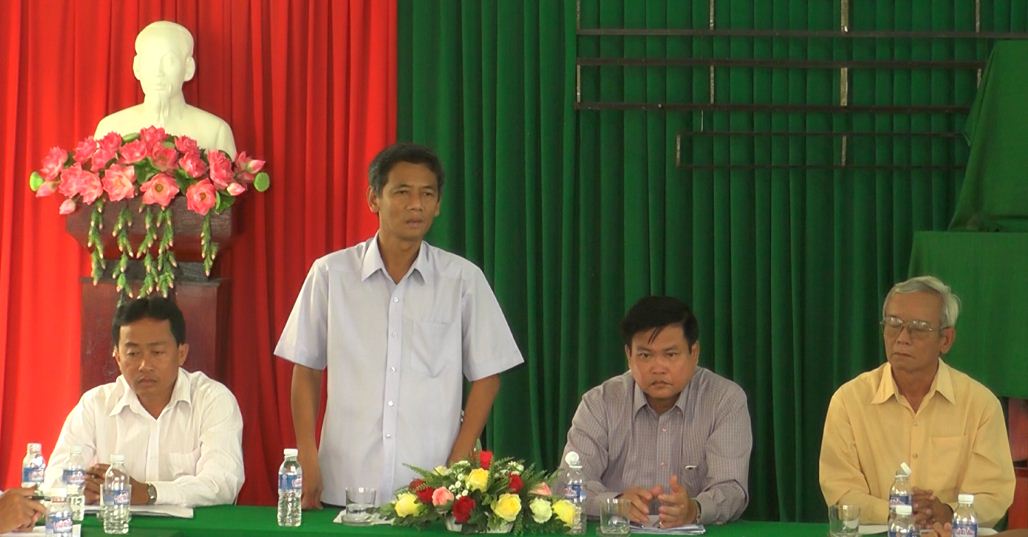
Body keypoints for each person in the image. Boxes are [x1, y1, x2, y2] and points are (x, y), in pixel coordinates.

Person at [275, 142, 524, 508]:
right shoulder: (330, 274)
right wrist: (307, 454)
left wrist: (457, 461)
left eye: (427, 194)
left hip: (432, 488)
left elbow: (488, 375)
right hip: (345, 479)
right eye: (402, 192)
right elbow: (307, 368)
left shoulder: (462, 280)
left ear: (438, 205)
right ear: (373, 198)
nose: (416, 205)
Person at [819, 275, 1015, 527]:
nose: (902, 337)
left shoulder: (980, 405)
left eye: (918, 327)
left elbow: (994, 494)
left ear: (946, 340)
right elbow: (840, 490)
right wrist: (898, 512)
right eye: (893, 324)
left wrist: (948, 512)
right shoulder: (849, 401)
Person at [558, 296, 752, 527]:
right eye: (645, 355)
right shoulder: (599, 403)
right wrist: (615, 502)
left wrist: (694, 509)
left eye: (671, 354)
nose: (658, 368)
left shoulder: (724, 399)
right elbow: (567, 488)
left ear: (694, 352)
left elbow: (732, 489)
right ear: (629, 355)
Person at [44, 296, 244, 507]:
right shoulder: (95, 404)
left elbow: (223, 483)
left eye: (157, 352)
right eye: (133, 353)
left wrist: (149, 492)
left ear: (181, 353)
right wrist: (77, 490)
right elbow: (54, 480)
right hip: (116, 523)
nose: (144, 365)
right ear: (118, 357)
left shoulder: (213, 400)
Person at [94, 20, 236, 156]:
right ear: (137, 67)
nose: (158, 72)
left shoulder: (215, 132)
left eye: (169, 61)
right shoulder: (111, 129)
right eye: (150, 61)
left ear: (188, 68)